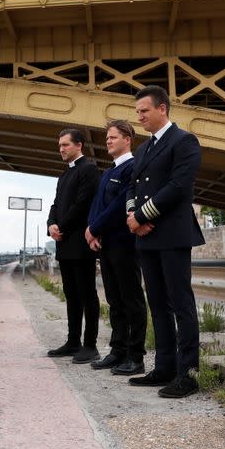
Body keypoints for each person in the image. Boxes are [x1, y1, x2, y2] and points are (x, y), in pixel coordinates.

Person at [125, 85, 206, 398]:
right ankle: (164, 366)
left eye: (144, 111)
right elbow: (132, 187)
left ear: (162, 109)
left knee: (180, 303)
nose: (140, 117)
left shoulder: (184, 141)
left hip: (172, 234)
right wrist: (133, 218)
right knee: (157, 303)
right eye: (137, 112)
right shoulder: (144, 149)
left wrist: (142, 216)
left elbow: (178, 186)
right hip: (147, 237)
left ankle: (188, 373)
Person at [85, 120, 147, 376]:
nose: (108, 141)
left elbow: (119, 207)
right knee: (114, 300)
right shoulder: (108, 172)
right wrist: (91, 230)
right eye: (107, 138)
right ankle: (117, 350)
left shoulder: (132, 168)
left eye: (113, 137)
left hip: (125, 244)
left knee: (131, 300)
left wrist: (94, 227)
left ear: (127, 139)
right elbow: (98, 205)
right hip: (107, 245)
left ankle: (136, 356)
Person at [46, 129, 101, 364]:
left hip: (80, 242)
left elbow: (83, 204)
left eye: (66, 145)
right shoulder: (63, 175)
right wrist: (51, 224)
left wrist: (62, 226)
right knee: (71, 294)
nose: (61, 149)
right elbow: (56, 204)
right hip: (64, 243)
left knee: (87, 292)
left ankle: (90, 345)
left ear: (79, 145)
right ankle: (73, 341)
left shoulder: (89, 169)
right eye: (60, 145)